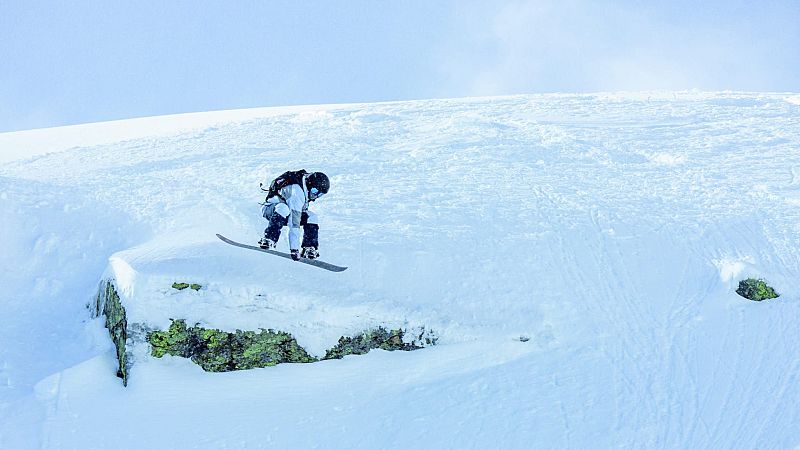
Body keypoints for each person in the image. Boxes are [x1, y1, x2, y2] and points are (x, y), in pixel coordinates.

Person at [258, 170, 329, 261]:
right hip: (271, 210)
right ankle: (269, 239)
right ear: (310, 184)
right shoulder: (297, 192)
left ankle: (309, 248)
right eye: (315, 191)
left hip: (285, 215)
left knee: (312, 217)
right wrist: (294, 249)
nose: (315, 196)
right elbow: (294, 224)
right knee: (283, 208)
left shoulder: (304, 188)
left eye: (320, 194)